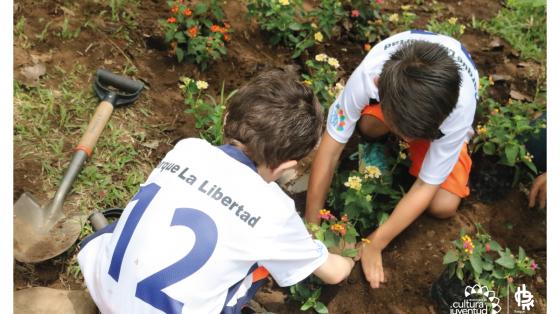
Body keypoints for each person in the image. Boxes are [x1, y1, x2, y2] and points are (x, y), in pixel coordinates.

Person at [77, 69, 355, 313]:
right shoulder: (276, 211)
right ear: (287, 165)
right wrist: (350, 260)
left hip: (101, 286)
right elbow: (332, 273)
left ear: (226, 121)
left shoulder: (187, 149)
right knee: (258, 266)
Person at [305, 30, 479, 289]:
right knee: (368, 125)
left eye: (414, 134)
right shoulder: (368, 77)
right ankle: (385, 125)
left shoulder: (459, 109)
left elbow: (426, 185)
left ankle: (433, 135)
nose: (407, 138)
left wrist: (375, 243)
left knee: (443, 205)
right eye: (403, 131)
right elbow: (329, 151)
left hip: (435, 110)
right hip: (405, 97)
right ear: (379, 86)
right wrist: (312, 227)